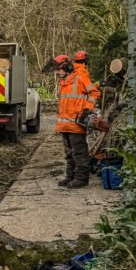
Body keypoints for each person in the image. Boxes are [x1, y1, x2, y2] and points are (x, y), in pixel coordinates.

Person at [44, 54, 100, 189]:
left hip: (76, 123)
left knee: (79, 152)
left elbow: (94, 93)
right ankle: (70, 176)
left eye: (58, 70)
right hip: (65, 124)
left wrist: (87, 109)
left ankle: (81, 178)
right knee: (69, 152)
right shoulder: (64, 81)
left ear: (66, 67)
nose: (56, 73)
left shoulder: (80, 78)